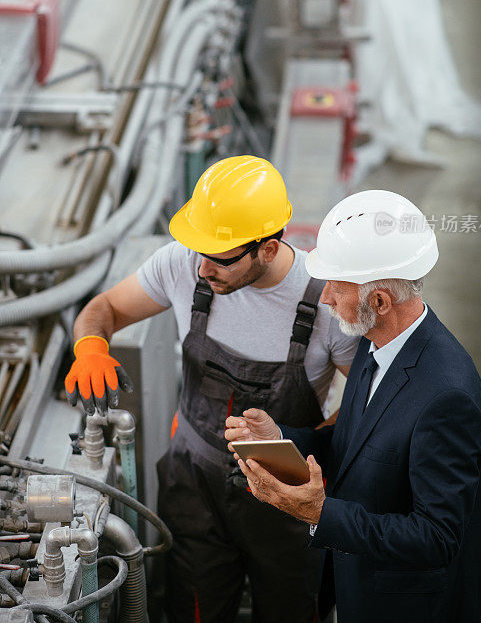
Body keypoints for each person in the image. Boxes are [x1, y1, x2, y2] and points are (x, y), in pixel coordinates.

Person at [64, 155, 359, 623]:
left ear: (268, 246)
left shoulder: (323, 302)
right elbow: (103, 308)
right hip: (194, 489)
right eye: (198, 250)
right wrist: (91, 349)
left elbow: (363, 404)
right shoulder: (183, 266)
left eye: (219, 257)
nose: (202, 269)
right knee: (195, 611)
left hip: (284, 498)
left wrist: (306, 446)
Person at [226, 190, 481, 623]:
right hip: (363, 585)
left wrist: (320, 514)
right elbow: (355, 443)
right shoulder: (376, 341)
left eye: (335, 289)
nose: (324, 299)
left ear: (378, 301)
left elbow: (436, 537)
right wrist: (279, 439)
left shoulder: (447, 397)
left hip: (418, 607)